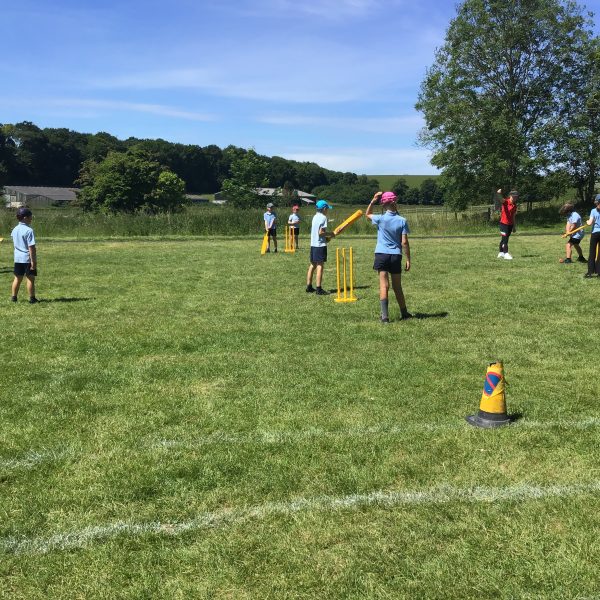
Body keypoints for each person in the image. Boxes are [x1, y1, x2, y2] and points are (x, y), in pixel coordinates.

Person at [365, 191, 411, 323]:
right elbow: (404, 242)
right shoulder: (402, 220)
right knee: (397, 287)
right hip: (396, 255)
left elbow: (367, 214)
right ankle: (404, 313)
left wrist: (373, 201)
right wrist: (408, 259)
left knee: (384, 286)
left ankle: (385, 317)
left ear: (383, 205)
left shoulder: (380, 218)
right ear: (395, 202)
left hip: (381, 254)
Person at [11, 207, 38, 303]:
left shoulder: (15, 229)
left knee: (17, 278)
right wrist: (33, 261)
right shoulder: (29, 230)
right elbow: (31, 247)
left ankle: (14, 298)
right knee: (30, 279)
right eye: (30, 216)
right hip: (27, 258)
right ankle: (32, 298)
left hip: (17, 258)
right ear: (25, 218)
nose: (31, 218)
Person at [306, 199, 333, 295]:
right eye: (327, 209)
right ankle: (319, 289)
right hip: (320, 245)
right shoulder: (323, 218)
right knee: (320, 265)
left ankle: (309, 286)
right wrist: (331, 234)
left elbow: (317, 233)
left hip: (313, 244)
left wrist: (326, 239)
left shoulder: (315, 216)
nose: (327, 210)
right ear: (324, 208)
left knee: (312, 265)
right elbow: (321, 232)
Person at [496, 188, 518, 260]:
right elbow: (500, 199)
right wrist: (499, 193)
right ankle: (506, 253)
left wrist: (514, 227)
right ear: (510, 196)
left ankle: (501, 252)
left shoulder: (514, 205)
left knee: (504, 239)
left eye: (516, 196)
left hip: (510, 225)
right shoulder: (506, 202)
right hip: (503, 224)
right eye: (514, 196)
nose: (515, 198)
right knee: (505, 239)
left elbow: (513, 217)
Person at [584, 194, 600, 278]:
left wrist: (587, 222)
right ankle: (599, 272)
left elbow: (590, 223)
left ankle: (590, 272)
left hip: (595, 233)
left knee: (592, 253)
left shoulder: (593, 211)